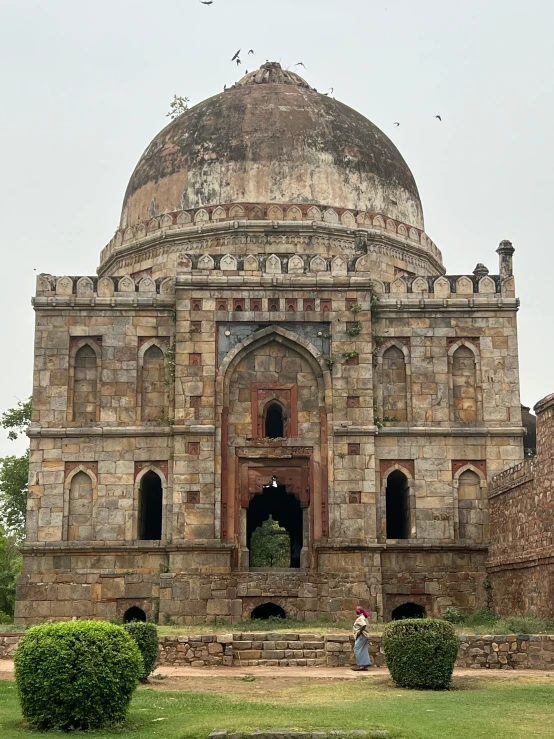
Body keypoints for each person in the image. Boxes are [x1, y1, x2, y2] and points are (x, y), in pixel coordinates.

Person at [351, 606, 372, 671]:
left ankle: (360, 665)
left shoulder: (360, 618)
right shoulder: (363, 617)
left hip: (361, 635)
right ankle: (365, 664)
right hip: (365, 635)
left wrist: (360, 631)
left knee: (357, 649)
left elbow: (364, 625)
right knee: (363, 649)